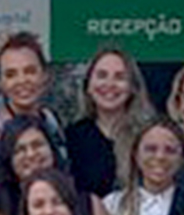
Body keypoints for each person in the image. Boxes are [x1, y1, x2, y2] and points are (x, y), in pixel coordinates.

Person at [0, 32, 70, 203]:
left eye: (30, 71)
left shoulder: (51, 121)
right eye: (11, 74)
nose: (22, 80)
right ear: (1, 83)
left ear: (44, 75)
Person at [66, 46, 156, 201]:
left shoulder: (149, 135)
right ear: (88, 85)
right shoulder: (72, 137)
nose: (110, 84)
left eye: (120, 77)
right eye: (102, 76)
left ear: (132, 87)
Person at [105, 118, 184, 215]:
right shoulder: (112, 204)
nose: (160, 157)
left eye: (170, 150)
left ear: (182, 158)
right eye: (151, 149)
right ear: (135, 154)